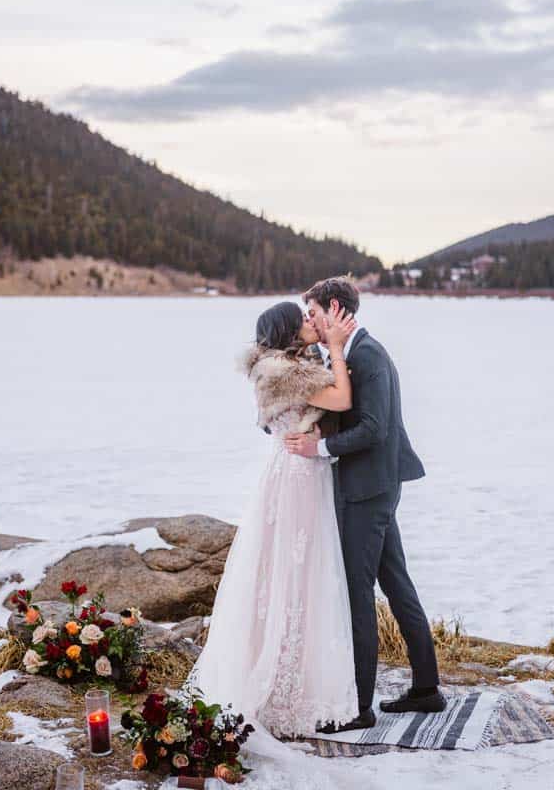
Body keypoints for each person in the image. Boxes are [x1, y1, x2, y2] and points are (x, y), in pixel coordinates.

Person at [187, 299, 360, 736]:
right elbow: (341, 398)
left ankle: (297, 676)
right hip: (298, 476)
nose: (309, 322)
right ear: (286, 330)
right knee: (295, 572)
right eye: (301, 319)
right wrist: (336, 348)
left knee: (297, 572)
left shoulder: (286, 367)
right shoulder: (283, 372)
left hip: (299, 470)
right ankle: (285, 687)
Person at [285, 276, 444, 733]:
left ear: (335, 309)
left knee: (358, 594)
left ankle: (359, 707)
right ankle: (426, 688)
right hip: (375, 485)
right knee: (396, 583)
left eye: (314, 313)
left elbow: (374, 428)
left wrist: (318, 448)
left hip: (368, 490)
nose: (311, 321)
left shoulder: (368, 355)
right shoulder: (350, 353)